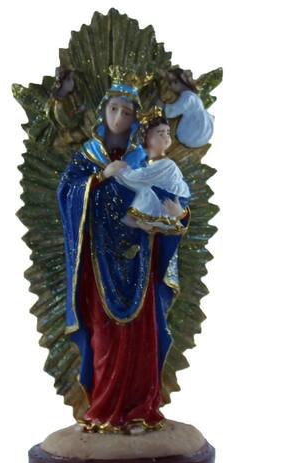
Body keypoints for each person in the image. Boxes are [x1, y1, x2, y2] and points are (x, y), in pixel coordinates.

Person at [57, 74, 190, 433]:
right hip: (99, 262)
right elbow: (66, 193)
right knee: (104, 335)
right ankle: (104, 409)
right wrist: (100, 177)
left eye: (127, 112)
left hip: (140, 261)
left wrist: (180, 215)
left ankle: (140, 408)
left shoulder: (144, 161)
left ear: (136, 121)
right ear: (103, 112)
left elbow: (173, 202)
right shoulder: (88, 156)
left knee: (141, 336)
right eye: (113, 109)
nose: (119, 117)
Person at [115, 113, 190, 234]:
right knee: (144, 189)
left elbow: (141, 176)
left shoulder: (167, 164)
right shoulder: (143, 162)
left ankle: (143, 219)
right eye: (160, 133)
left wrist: (121, 171)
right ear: (146, 138)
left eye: (168, 133)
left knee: (144, 189)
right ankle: (142, 220)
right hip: (160, 199)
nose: (166, 137)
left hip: (169, 200)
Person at [163, 68, 214, 148]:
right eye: (170, 82)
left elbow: (172, 112)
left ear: (183, 81)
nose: (172, 85)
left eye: (174, 81)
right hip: (199, 131)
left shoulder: (188, 97)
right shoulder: (193, 96)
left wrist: (163, 105)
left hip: (193, 133)